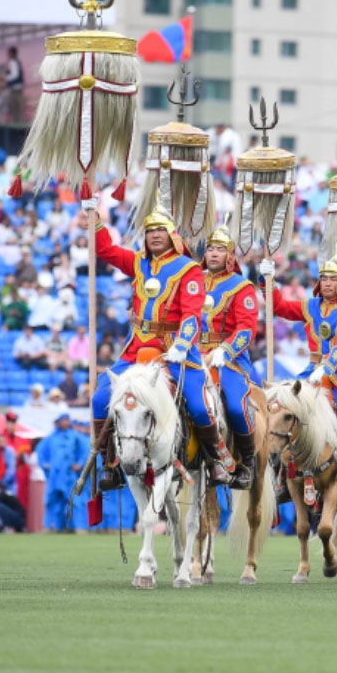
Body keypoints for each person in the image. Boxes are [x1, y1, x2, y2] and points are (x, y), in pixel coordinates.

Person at [90, 205, 227, 486]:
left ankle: (215, 461)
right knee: (100, 399)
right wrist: (94, 219)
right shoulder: (139, 261)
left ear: (172, 235)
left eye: (160, 230)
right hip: (136, 349)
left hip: (174, 350)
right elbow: (105, 251)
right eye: (150, 230)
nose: (154, 235)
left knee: (200, 408)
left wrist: (182, 343)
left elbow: (192, 313)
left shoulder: (188, 269)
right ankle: (110, 464)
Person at [262, 245, 337, 498]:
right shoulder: (311, 306)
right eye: (323, 278)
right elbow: (280, 307)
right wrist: (268, 281)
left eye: (332, 279)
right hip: (311, 370)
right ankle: (282, 475)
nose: (326, 283)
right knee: (283, 411)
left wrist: (327, 366)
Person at [196, 225, 259, 490]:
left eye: (220, 249)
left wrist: (225, 351)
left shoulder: (241, 287)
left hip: (227, 358)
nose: (213, 254)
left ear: (230, 255)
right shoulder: (193, 280)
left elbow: (247, 329)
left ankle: (248, 461)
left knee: (234, 405)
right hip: (193, 354)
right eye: (210, 248)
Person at [36, 413, 83, 532]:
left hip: (69, 475)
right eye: (62, 420)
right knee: (51, 501)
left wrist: (80, 463)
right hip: (55, 476)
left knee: (74, 501)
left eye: (66, 420)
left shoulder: (75, 436)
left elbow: (85, 450)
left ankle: (75, 527)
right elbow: (41, 452)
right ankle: (50, 526)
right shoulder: (51, 437)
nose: (64, 423)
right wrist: (45, 464)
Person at [4, 47, 24, 122]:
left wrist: (7, 79)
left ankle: (17, 125)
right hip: (17, 88)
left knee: (16, 108)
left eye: (9, 53)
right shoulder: (17, 62)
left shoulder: (13, 62)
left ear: (12, 53)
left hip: (15, 89)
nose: (8, 55)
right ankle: (18, 122)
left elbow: (15, 75)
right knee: (16, 108)